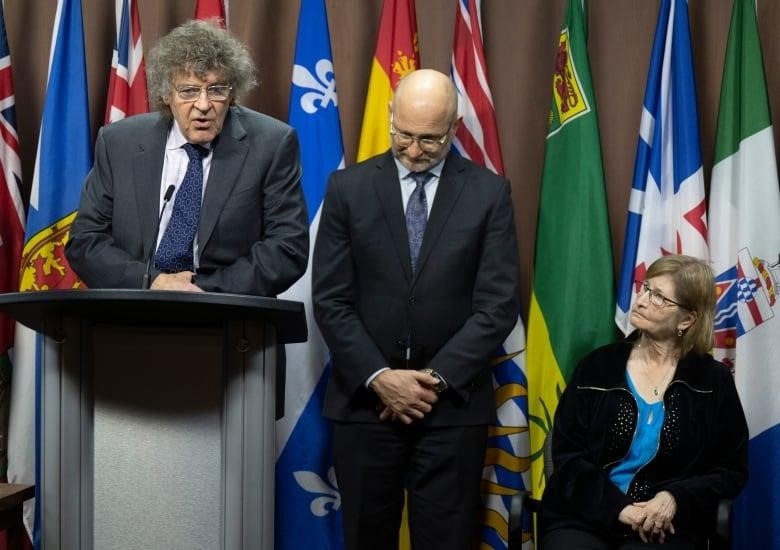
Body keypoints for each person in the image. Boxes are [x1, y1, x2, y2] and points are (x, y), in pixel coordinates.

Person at [312, 69, 519, 550]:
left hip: (451, 410)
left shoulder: (490, 194)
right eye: (404, 134)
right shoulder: (348, 188)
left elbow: (497, 304)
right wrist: (381, 377)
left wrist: (433, 380)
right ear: (390, 117)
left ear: (454, 126)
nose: (414, 149)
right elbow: (331, 299)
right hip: (366, 406)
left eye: (430, 139)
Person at [66, 19, 308, 296]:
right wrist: (152, 282)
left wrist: (197, 292)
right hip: (133, 311)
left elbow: (288, 248)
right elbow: (85, 241)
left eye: (216, 90)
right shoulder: (119, 143)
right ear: (167, 94)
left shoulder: (272, 143)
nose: (203, 105)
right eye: (189, 91)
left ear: (232, 93)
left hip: (227, 315)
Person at [540, 255, 748, 550]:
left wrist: (674, 497)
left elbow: (730, 470)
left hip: (666, 525)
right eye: (645, 288)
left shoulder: (713, 382)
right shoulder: (596, 366)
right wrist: (619, 509)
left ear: (687, 319)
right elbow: (567, 455)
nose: (641, 300)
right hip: (585, 516)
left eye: (659, 297)